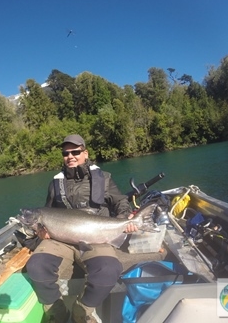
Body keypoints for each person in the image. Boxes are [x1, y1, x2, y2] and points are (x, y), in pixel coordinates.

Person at [26, 134, 138, 323]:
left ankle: (81, 312)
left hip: (96, 236)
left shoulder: (104, 178)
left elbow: (120, 202)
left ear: (85, 153)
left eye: (75, 152)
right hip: (60, 239)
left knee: (109, 269)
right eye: (65, 153)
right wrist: (42, 232)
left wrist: (124, 220)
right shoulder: (55, 184)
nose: (70, 156)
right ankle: (57, 312)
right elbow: (48, 211)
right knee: (36, 265)